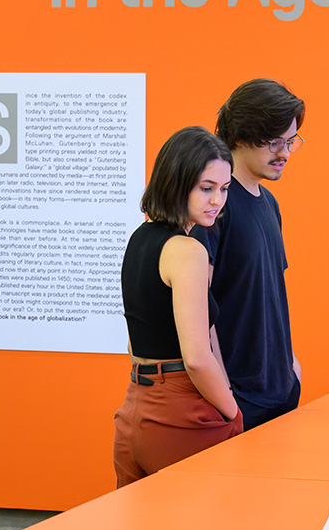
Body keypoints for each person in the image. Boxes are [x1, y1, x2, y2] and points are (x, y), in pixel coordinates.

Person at [112, 126, 242, 486]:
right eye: (206, 188)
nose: (217, 200)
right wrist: (232, 413)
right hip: (180, 412)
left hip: (134, 412)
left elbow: (133, 341)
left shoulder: (140, 239)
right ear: (175, 182)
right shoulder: (188, 251)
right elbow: (198, 358)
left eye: (224, 189)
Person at [191, 78, 306, 430]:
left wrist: (291, 368)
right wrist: (228, 398)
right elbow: (198, 312)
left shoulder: (269, 204)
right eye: (274, 142)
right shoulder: (214, 209)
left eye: (291, 142)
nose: (284, 153)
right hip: (239, 403)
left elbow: (267, 297)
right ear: (240, 137)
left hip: (280, 392)